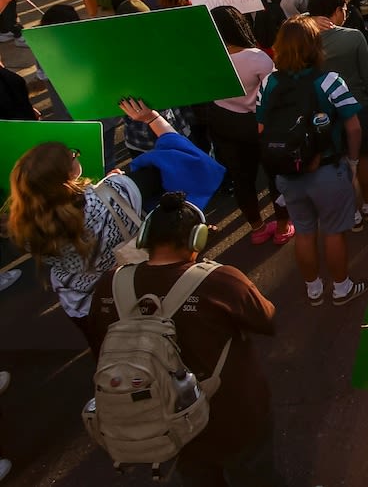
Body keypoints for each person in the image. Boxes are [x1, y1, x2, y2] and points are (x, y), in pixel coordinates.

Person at [85, 191, 282, 486]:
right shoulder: (220, 280)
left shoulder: (110, 285)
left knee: (195, 474)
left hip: (166, 418)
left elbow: (100, 345)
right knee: (254, 472)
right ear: (197, 240)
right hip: (232, 412)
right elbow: (267, 320)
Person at [257, 16, 368, 307]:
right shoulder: (330, 81)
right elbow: (354, 126)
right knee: (334, 232)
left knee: (305, 232)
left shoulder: (269, 83)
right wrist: (354, 161)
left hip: (287, 173)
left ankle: (313, 288)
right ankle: (341, 287)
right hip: (327, 169)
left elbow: (262, 129)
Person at [7, 136, 143, 339]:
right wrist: (109, 182)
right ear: (68, 174)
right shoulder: (114, 192)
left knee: (107, 351)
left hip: (81, 302)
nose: (75, 155)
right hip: (131, 288)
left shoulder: (23, 226)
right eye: (72, 155)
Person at [206, 6, 294, 246]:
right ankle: (283, 225)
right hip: (259, 124)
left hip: (224, 123)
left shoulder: (208, 57)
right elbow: (272, 93)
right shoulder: (257, 57)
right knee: (275, 175)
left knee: (241, 178)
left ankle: (257, 227)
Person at [308, 0, 368, 232]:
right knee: (364, 156)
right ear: (335, 12)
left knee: (335, 160)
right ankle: (367, 203)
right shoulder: (352, 37)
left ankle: (349, 212)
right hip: (357, 105)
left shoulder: (302, 37)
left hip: (320, 111)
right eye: (343, 9)